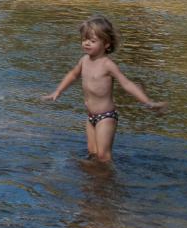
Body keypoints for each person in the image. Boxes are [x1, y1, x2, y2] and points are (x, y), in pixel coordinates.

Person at [43, 14, 166, 162]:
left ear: (106, 44)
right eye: (84, 39)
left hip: (106, 116)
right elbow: (73, 75)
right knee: (92, 153)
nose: (86, 43)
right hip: (90, 117)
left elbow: (126, 83)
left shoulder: (107, 64)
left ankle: (109, 181)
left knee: (103, 156)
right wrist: (58, 91)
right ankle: (95, 182)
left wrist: (147, 102)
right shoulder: (84, 60)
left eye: (92, 41)